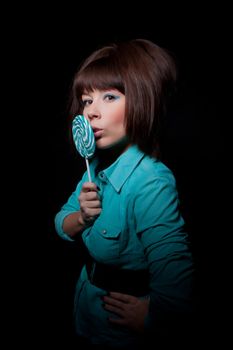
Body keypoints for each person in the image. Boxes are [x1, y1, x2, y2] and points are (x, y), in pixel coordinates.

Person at [54, 39, 196, 348]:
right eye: (86, 100)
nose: (92, 112)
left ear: (143, 100)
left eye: (109, 96)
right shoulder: (94, 166)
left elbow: (172, 264)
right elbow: (61, 222)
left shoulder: (150, 181)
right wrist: (82, 217)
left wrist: (154, 318)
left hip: (118, 334)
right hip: (85, 312)